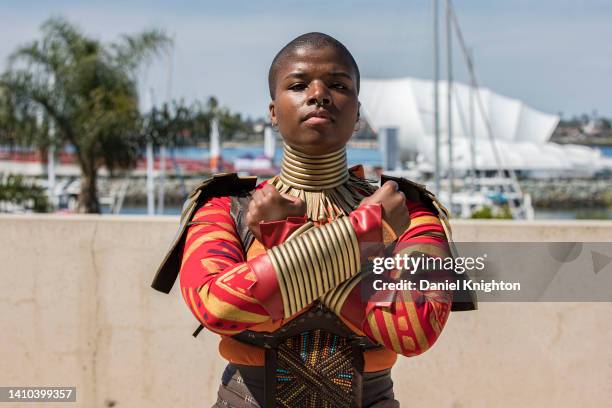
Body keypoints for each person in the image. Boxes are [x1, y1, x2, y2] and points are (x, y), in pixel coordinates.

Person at [152, 32, 476, 408]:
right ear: (273, 111)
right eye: (299, 84)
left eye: (338, 85)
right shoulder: (227, 206)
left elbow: (414, 328)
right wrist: (364, 233)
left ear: (357, 112)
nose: (319, 94)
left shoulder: (410, 209)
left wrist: (286, 239)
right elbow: (219, 306)